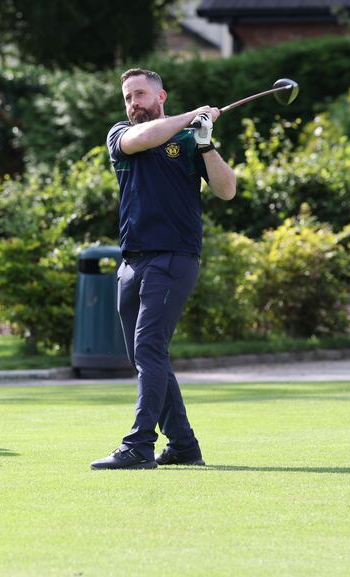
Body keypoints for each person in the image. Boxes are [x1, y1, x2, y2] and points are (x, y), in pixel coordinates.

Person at [91, 69, 236, 470]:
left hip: (173, 258)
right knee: (145, 356)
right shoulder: (121, 134)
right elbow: (142, 139)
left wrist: (206, 144)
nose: (133, 103)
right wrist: (192, 116)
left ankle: (138, 445)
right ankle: (184, 446)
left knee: (150, 349)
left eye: (140, 94)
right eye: (127, 96)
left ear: (161, 96)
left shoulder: (190, 141)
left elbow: (227, 189)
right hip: (132, 261)